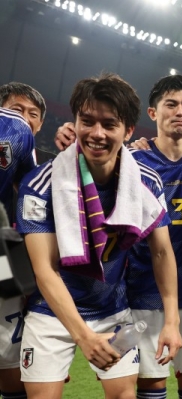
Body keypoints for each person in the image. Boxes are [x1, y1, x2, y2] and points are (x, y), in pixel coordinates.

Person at [15, 73, 182, 399]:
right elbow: (45, 270)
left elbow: (162, 252)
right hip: (51, 313)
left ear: (129, 130)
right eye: (87, 121)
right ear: (74, 121)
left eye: (109, 124)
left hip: (113, 313)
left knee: (124, 396)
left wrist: (172, 322)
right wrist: (82, 336)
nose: (96, 133)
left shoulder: (147, 182)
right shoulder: (40, 184)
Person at [121, 75, 182, 399]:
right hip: (145, 290)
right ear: (152, 113)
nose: (179, 111)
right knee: (152, 382)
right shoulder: (132, 162)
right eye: (171, 104)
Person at [0, 106, 36, 399]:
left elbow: (28, 195)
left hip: (3, 254)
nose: (26, 116)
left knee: (10, 355)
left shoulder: (16, 129)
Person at [0, 82, 55, 164]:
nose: (24, 119)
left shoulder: (53, 165)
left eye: (33, 114)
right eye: (17, 110)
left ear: (40, 125)